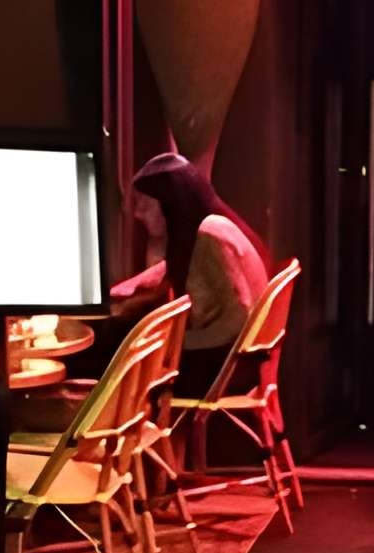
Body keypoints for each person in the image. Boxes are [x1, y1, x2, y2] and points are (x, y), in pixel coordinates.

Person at [112, 153, 272, 397]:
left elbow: (238, 320)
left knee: (117, 352)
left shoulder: (209, 236)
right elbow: (178, 266)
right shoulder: (209, 225)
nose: (137, 214)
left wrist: (176, 344)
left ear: (170, 202)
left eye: (144, 204)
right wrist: (130, 287)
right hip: (234, 358)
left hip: (226, 366)